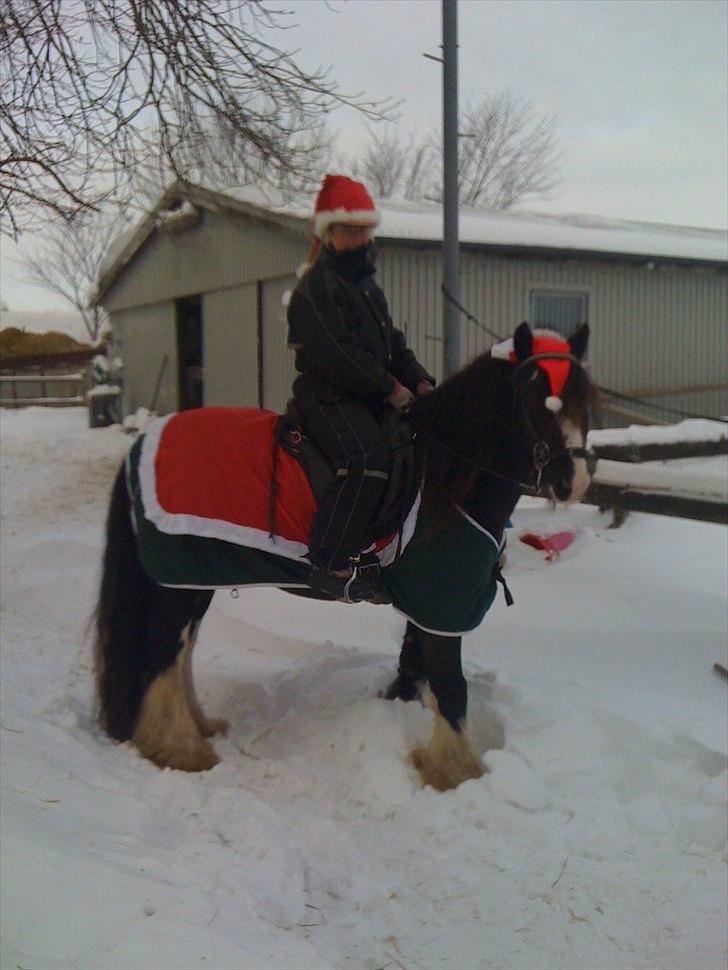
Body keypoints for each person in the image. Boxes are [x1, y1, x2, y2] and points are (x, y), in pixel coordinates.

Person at [286, 174, 436, 601]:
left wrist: (422, 383)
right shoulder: (315, 288)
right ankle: (329, 560)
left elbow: (392, 344)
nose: (358, 238)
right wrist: (391, 389)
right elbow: (338, 355)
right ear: (330, 233)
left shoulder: (367, 288)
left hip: (366, 394)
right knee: (366, 458)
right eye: (349, 230)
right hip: (327, 393)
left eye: (363, 230)